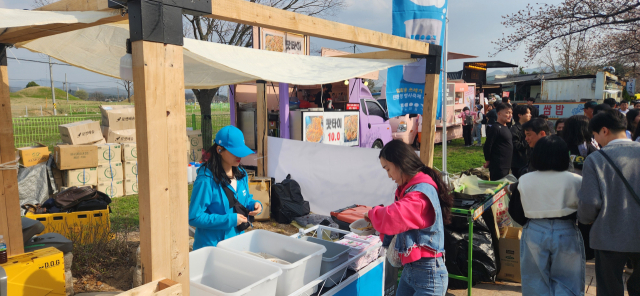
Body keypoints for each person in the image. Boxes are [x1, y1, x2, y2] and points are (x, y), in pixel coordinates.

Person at [365, 140, 452, 296]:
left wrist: (372, 213)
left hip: (429, 275)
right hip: (411, 271)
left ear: (400, 163)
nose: (389, 176)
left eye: (388, 169)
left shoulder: (420, 194)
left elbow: (394, 216)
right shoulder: (411, 189)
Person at [508, 136, 585, 296]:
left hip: (534, 230)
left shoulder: (525, 180)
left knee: (534, 282)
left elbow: (516, 211)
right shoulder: (576, 180)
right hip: (567, 231)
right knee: (568, 282)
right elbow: (585, 210)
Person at [578, 110, 640, 296]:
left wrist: (585, 219)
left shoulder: (596, 159)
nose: (596, 140)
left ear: (604, 131)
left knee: (609, 287)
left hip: (608, 236)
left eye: (595, 135)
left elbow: (590, 202)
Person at [189, 126, 263, 249]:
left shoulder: (242, 174)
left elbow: (244, 199)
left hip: (236, 244)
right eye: (235, 151)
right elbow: (195, 217)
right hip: (212, 248)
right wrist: (230, 219)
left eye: (241, 151)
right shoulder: (206, 180)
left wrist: (255, 204)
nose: (239, 156)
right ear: (219, 150)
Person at [483, 103, 513, 180]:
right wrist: (488, 160)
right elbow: (488, 145)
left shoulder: (506, 127)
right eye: (507, 112)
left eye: (511, 113)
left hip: (506, 165)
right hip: (498, 165)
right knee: (498, 188)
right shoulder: (495, 128)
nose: (510, 115)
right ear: (499, 113)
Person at [511, 105, 532, 178]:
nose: (530, 115)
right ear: (520, 115)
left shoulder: (529, 128)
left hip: (528, 161)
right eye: (528, 113)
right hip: (518, 163)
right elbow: (515, 145)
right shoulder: (515, 129)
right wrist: (529, 140)